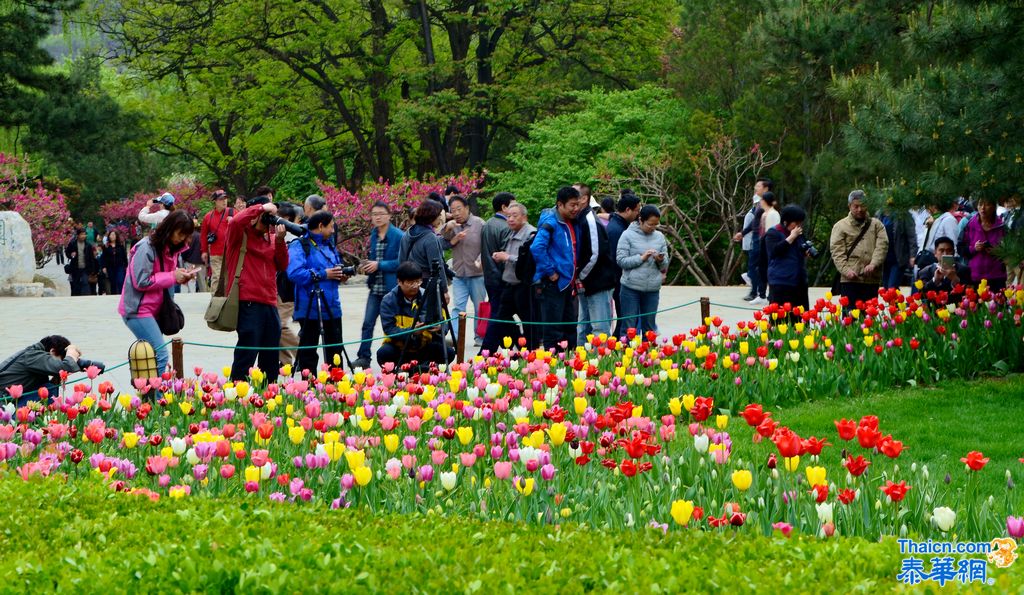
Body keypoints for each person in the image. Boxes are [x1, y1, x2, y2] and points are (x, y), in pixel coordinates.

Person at [119, 211, 197, 375]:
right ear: (170, 228)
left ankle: (148, 394)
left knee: (152, 356)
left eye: (186, 236)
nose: (182, 239)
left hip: (155, 309)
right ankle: (156, 397)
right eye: (181, 234)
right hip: (137, 310)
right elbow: (141, 281)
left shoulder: (169, 249)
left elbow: (164, 276)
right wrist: (172, 276)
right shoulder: (146, 248)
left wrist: (179, 276)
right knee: (160, 355)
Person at [222, 197, 290, 382]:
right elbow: (236, 220)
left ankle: (268, 395)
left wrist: (281, 241)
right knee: (247, 352)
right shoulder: (239, 234)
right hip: (248, 302)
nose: (268, 222)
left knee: (270, 355)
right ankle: (237, 392)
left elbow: (282, 265)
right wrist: (261, 207)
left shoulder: (272, 239)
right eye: (265, 217)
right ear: (254, 215)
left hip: (269, 302)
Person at [287, 211, 347, 375]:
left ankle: (336, 389)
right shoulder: (299, 245)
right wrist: (323, 274)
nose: (333, 230)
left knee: (335, 351)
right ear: (320, 226)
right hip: (309, 308)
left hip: (332, 306)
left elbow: (334, 268)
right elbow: (294, 273)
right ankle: (309, 390)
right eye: (331, 226)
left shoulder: (329, 244)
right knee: (308, 353)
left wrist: (340, 275)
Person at [480, 202, 537, 353]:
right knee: (501, 319)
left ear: (524, 217)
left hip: (523, 286)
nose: (510, 219)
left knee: (528, 322)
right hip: (508, 284)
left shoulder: (531, 234)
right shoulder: (511, 233)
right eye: (508, 216)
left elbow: (530, 261)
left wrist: (507, 257)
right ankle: (518, 347)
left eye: (514, 216)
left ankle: (531, 352)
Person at [376, 261, 454, 370]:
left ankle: (417, 368)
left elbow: (445, 321)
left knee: (449, 352)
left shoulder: (428, 296)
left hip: (423, 347)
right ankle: (416, 369)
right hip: (400, 348)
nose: (415, 286)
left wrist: (440, 328)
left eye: (418, 282)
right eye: (411, 282)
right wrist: (411, 331)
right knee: (383, 353)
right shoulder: (388, 301)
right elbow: (390, 329)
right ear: (399, 281)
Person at [531, 186, 583, 351]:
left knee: (569, 326)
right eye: (572, 205)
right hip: (554, 283)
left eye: (578, 205)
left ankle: (569, 363)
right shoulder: (551, 223)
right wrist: (550, 272)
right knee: (553, 329)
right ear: (560, 205)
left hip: (568, 283)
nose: (576, 209)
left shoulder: (571, 222)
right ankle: (553, 367)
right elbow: (537, 248)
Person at [354, 201, 404, 369]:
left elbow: (401, 262)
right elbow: (373, 259)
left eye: (381, 213)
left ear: (389, 215)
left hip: (392, 290)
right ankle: (363, 357)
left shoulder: (398, 236)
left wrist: (379, 265)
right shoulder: (373, 235)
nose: (378, 217)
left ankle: (399, 356)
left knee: (393, 325)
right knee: (368, 323)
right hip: (375, 287)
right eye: (374, 214)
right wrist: (367, 266)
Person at [0, 336, 104, 407]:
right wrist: (71, 353)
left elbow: (63, 366)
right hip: (2, 404)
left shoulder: (34, 355)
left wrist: (88, 365)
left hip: (7, 403)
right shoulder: (34, 356)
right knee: (48, 389)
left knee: (48, 386)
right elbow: (66, 366)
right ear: (52, 351)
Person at [830, 190, 888, 310]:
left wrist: (874, 264)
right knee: (850, 319)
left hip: (871, 279)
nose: (860, 209)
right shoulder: (840, 226)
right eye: (856, 206)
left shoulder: (877, 225)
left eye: (863, 205)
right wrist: (846, 271)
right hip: (850, 280)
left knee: (870, 318)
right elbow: (837, 252)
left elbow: (882, 246)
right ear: (849, 206)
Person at [616, 205, 670, 335]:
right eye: (650, 224)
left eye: (656, 225)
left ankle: (647, 354)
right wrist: (642, 258)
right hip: (630, 288)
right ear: (641, 220)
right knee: (629, 327)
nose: (653, 228)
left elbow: (664, 265)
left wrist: (660, 260)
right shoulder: (627, 235)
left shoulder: (659, 237)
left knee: (649, 328)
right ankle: (627, 353)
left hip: (652, 289)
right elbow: (621, 261)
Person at [575, 186, 617, 343]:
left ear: (584, 198)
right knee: (583, 327)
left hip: (598, 281)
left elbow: (595, 253)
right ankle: (580, 363)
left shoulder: (590, 219)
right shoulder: (579, 218)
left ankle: (601, 363)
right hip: (585, 281)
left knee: (600, 328)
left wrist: (580, 275)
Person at [442, 196, 486, 345]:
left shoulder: (479, 224)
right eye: (453, 210)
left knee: (479, 307)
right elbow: (443, 242)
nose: (456, 213)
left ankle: (479, 337)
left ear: (467, 208)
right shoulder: (451, 226)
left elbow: (487, 247)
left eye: (459, 209)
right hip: (459, 274)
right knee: (458, 307)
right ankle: (455, 337)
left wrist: (480, 259)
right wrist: (447, 228)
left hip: (477, 274)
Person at [764, 205, 810, 315]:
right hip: (781, 281)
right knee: (780, 319)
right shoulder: (773, 233)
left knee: (800, 319)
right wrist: (791, 237)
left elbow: (800, 249)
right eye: (796, 222)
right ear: (785, 222)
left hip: (799, 281)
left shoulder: (799, 234)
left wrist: (805, 252)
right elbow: (774, 251)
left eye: (800, 223)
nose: (799, 226)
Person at [399, 200, 449, 299]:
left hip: (409, 284)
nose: (440, 217)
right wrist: (444, 290)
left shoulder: (408, 233)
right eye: (438, 215)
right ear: (431, 216)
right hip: (427, 284)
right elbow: (437, 267)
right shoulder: (430, 237)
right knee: (430, 313)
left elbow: (401, 261)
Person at [607, 192, 641, 337]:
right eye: (637, 210)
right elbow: (616, 259)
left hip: (618, 280)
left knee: (625, 318)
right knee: (624, 319)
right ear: (628, 210)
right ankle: (617, 348)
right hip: (619, 281)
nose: (638, 214)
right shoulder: (617, 230)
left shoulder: (618, 225)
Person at [275, 203, 304, 367]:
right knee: (275, 326)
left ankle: (301, 352)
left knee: (279, 326)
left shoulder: (292, 239)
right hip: (277, 288)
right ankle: (285, 362)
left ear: (286, 220)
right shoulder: (280, 237)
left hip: (288, 290)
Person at [734, 178, 772, 302]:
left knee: (756, 266)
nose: (756, 188)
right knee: (755, 266)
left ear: (766, 189)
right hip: (756, 237)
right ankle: (757, 292)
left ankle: (759, 293)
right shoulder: (758, 203)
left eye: (758, 186)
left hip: (761, 238)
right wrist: (743, 233)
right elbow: (754, 222)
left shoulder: (767, 203)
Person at [963, 196, 1008, 292]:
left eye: (987, 204)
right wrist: (973, 248)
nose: (983, 208)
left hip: (997, 275)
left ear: (993, 207)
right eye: (980, 204)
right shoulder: (970, 224)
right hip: (976, 275)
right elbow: (960, 248)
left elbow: (1009, 250)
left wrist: (997, 252)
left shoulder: (1002, 226)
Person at [480, 192, 514, 306]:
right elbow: (506, 253)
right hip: (502, 278)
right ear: (504, 207)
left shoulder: (487, 224)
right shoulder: (506, 226)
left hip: (489, 276)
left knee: (498, 310)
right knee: (501, 313)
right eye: (513, 205)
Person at [878, 206, 918, 290]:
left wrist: (912, 255)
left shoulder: (903, 215)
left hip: (898, 258)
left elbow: (911, 236)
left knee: (892, 287)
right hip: (884, 259)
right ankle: (895, 303)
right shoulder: (879, 215)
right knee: (886, 288)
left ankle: (896, 302)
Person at [200, 189, 233, 291]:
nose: (224, 201)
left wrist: (233, 222)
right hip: (215, 252)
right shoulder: (208, 216)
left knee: (228, 278)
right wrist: (204, 251)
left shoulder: (232, 212)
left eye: (225, 198)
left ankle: (227, 301)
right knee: (216, 277)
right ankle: (215, 300)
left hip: (230, 251)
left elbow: (242, 228)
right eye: (221, 199)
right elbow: (204, 235)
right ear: (215, 201)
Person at [751, 191, 780, 307]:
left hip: (769, 242)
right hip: (763, 241)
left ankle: (769, 294)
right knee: (761, 269)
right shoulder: (765, 213)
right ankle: (761, 294)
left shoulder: (773, 214)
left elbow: (772, 231)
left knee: (768, 268)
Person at [65, 228, 98, 296]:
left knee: (85, 283)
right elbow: (67, 253)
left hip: (85, 268)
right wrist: (71, 255)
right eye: (82, 234)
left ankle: (86, 298)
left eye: (85, 234)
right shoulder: (72, 244)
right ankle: (76, 298)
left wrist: (92, 269)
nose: (83, 236)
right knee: (76, 284)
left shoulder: (88, 245)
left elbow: (91, 258)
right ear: (78, 235)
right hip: (75, 268)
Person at [182, 218, 207, 292]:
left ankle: (192, 294)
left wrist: (184, 258)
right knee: (202, 280)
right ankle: (204, 294)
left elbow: (184, 249)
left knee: (191, 280)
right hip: (200, 261)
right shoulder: (202, 236)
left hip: (190, 261)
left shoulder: (188, 236)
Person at [101, 230, 128, 295]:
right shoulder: (106, 246)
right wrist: (104, 266)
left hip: (120, 266)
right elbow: (103, 257)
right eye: (111, 235)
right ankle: (114, 295)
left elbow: (124, 256)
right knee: (113, 282)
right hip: (110, 267)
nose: (112, 236)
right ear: (109, 236)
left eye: (114, 235)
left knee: (120, 281)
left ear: (116, 236)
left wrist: (126, 266)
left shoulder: (121, 245)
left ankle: (121, 295)